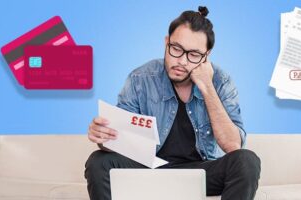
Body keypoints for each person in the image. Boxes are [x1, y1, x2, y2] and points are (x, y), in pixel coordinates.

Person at [85, 6, 261, 200]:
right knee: (98, 162)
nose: (182, 61)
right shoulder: (141, 78)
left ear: (206, 56)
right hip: (150, 169)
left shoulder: (221, 81)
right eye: (176, 49)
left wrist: (207, 87)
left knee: (247, 161)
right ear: (166, 42)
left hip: (201, 172)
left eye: (194, 54)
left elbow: (233, 146)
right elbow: (120, 140)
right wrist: (104, 138)